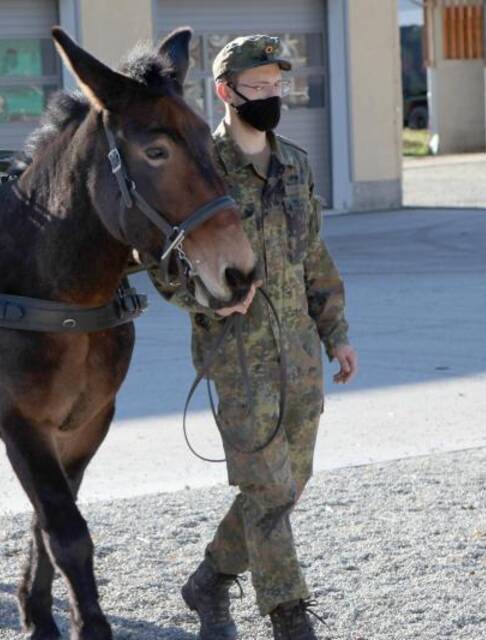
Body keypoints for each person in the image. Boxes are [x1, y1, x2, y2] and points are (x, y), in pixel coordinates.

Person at [149, 35, 359, 640]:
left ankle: (209, 580)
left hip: (298, 351)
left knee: (289, 484)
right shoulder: (199, 170)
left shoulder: (294, 162)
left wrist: (336, 333)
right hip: (238, 355)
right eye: (258, 87)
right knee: (267, 489)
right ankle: (289, 617)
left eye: (276, 85)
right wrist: (206, 305)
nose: (271, 96)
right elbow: (162, 264)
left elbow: (313, 255)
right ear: (225, 92)